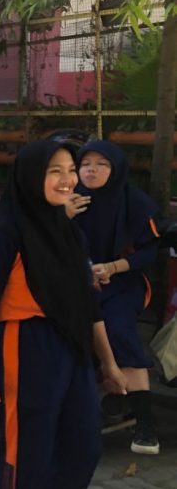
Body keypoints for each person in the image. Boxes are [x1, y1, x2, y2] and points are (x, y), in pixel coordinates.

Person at [0, 140, 127, 489]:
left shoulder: (69, 233)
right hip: (27, 342)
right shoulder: (7, 235)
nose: (67, 179)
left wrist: (109, 364)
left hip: (72, 346)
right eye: (54, 171)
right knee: (28, 446)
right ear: (31, 177)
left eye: (70, 170)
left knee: (84, 443)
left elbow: (88, 306)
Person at [73, 139, 162, 455]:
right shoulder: (68, 201)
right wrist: (59, 214)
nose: (91, 170)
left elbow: (149, 251)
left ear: (116, 169)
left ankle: (146, 426)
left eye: (101, 164)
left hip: (123, 282)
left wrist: (112, 267)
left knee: (117, 330)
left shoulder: (134, 203)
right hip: (75, 282)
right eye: (85, 164)